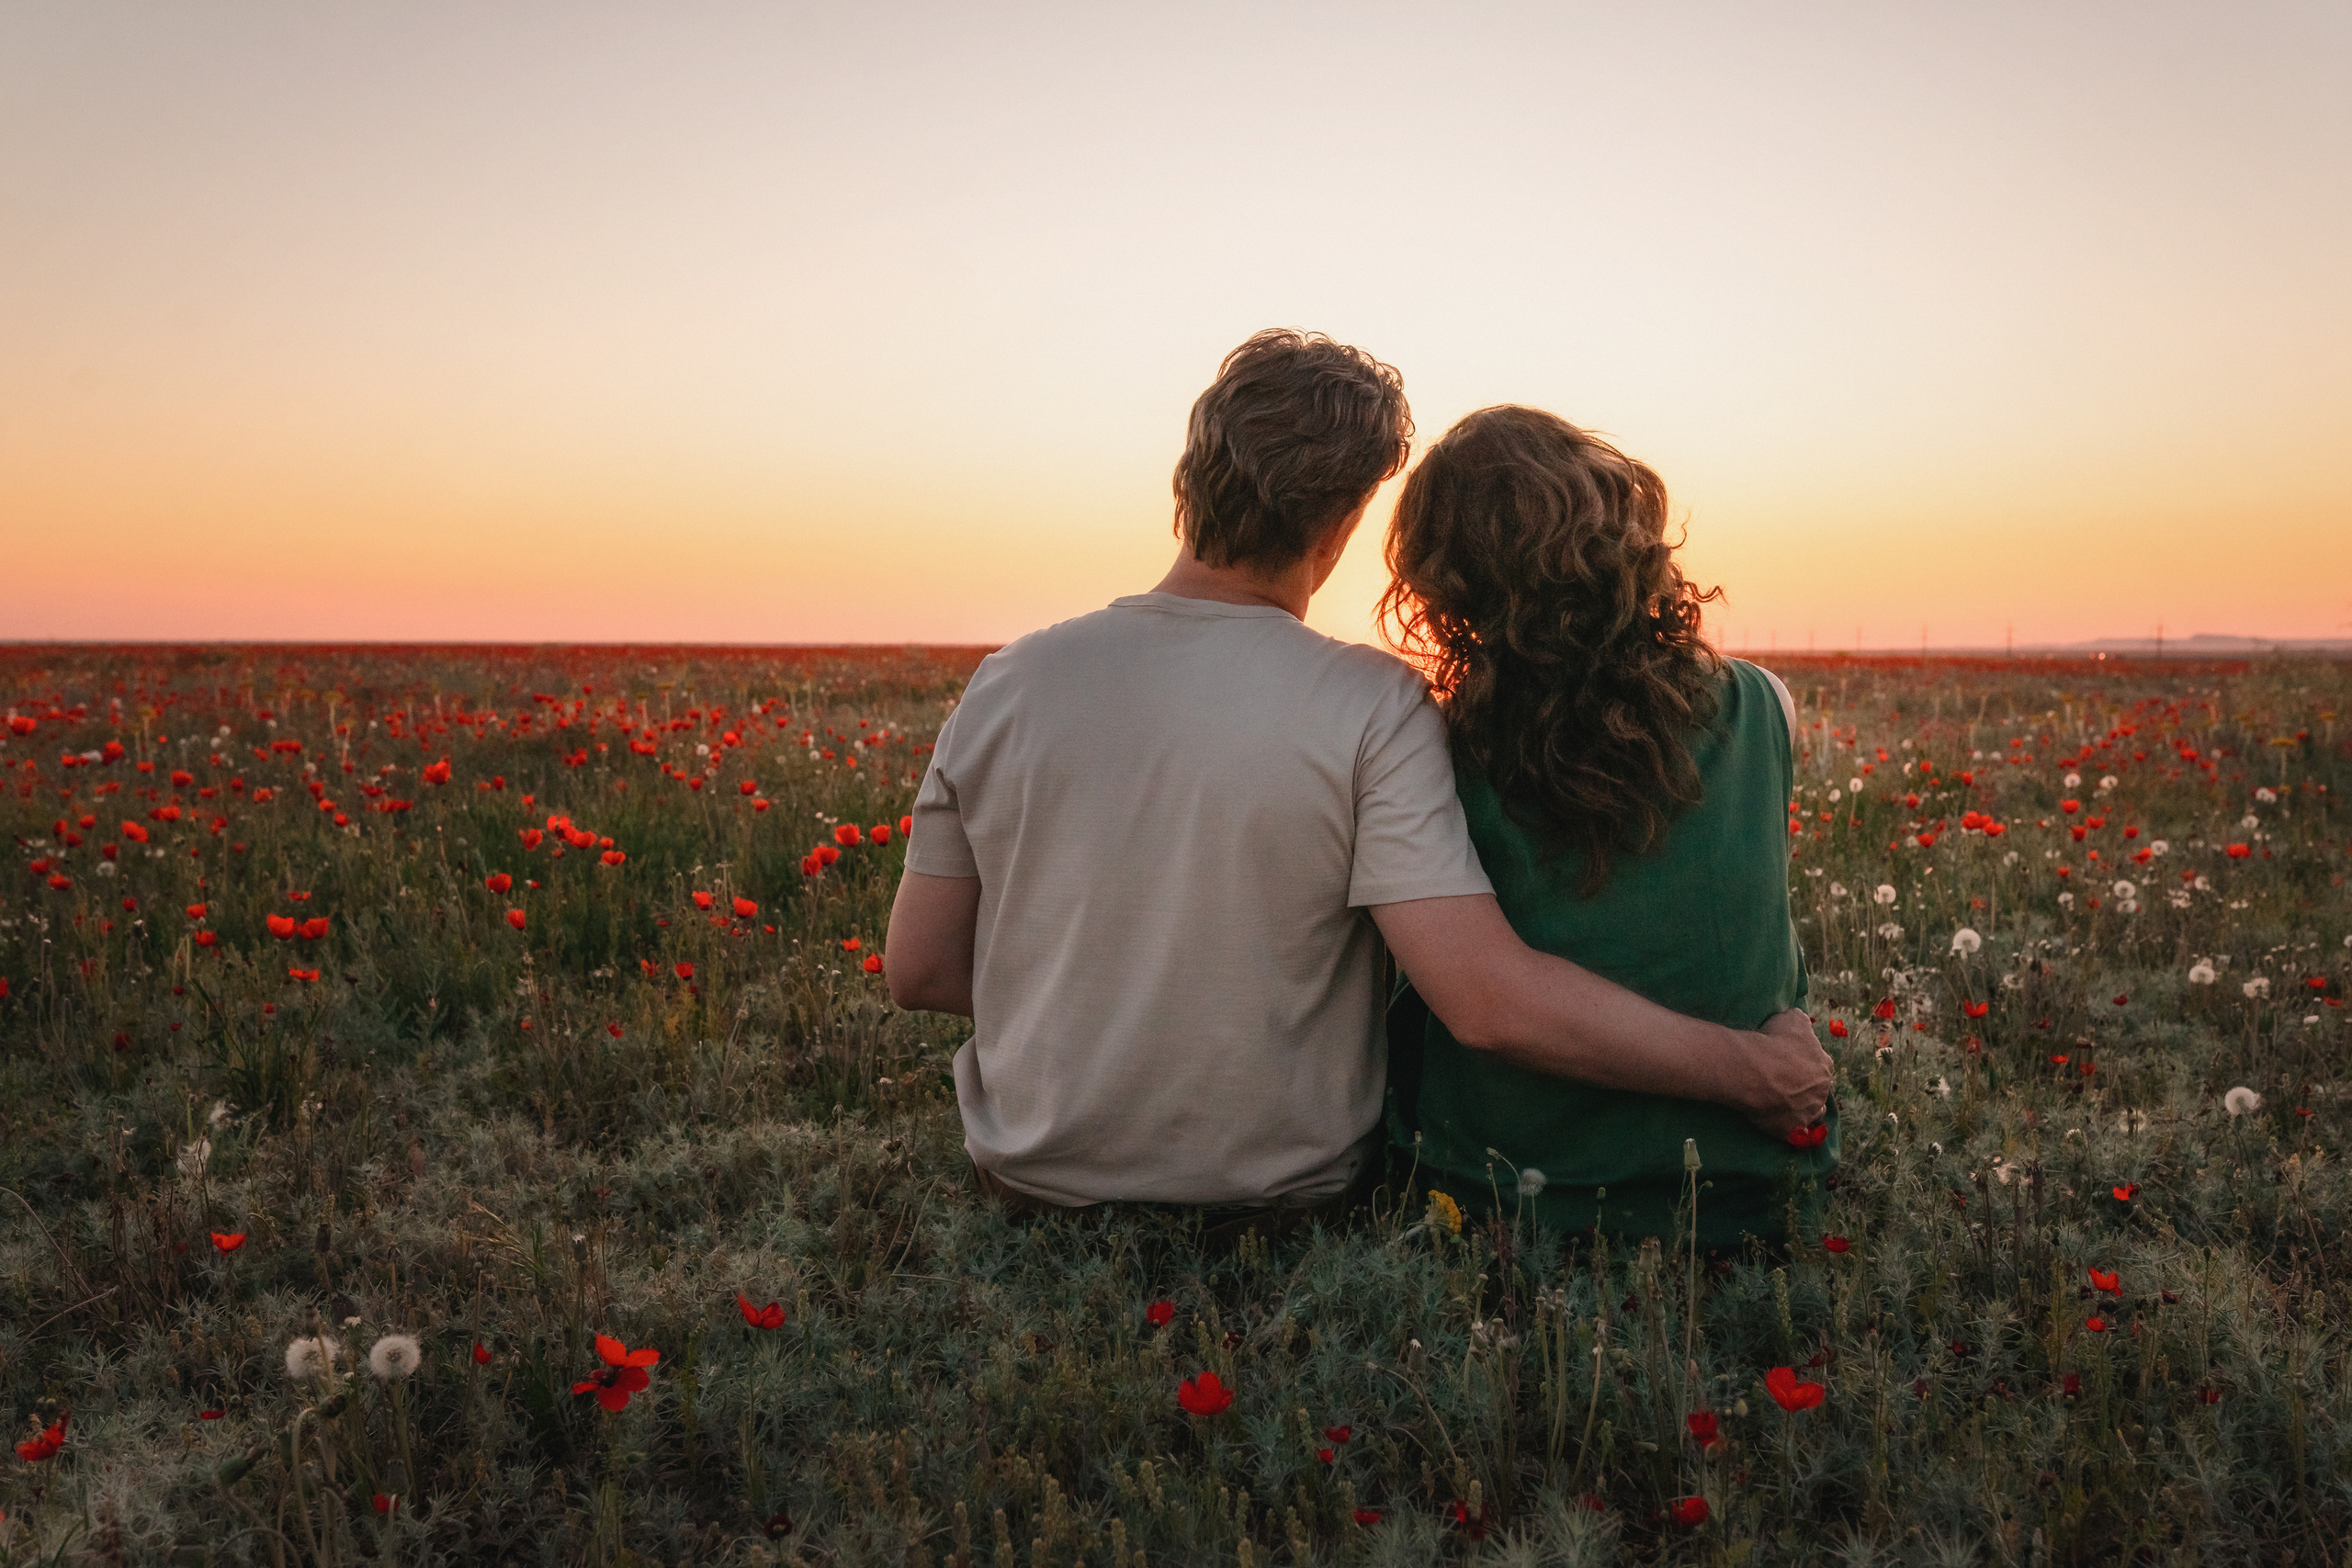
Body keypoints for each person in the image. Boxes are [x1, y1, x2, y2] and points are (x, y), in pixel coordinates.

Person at [884, 330, 1830, 1228]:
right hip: (1282, 1205)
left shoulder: (1008, 681)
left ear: (1186, 482)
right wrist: (1755, 1070)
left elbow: (919, 969)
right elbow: (1486, 997)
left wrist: (1103, 986)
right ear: (1339, 525)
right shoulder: (1369, 704)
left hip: (1027, 1187)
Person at [1379, 404, 1838, 1247]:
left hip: (1509, 1206)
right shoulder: (1767, 704)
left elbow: (1483, 1005)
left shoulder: (1430, 749)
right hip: (1753, 1192)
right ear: (1627, 534)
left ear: (1445, 585)